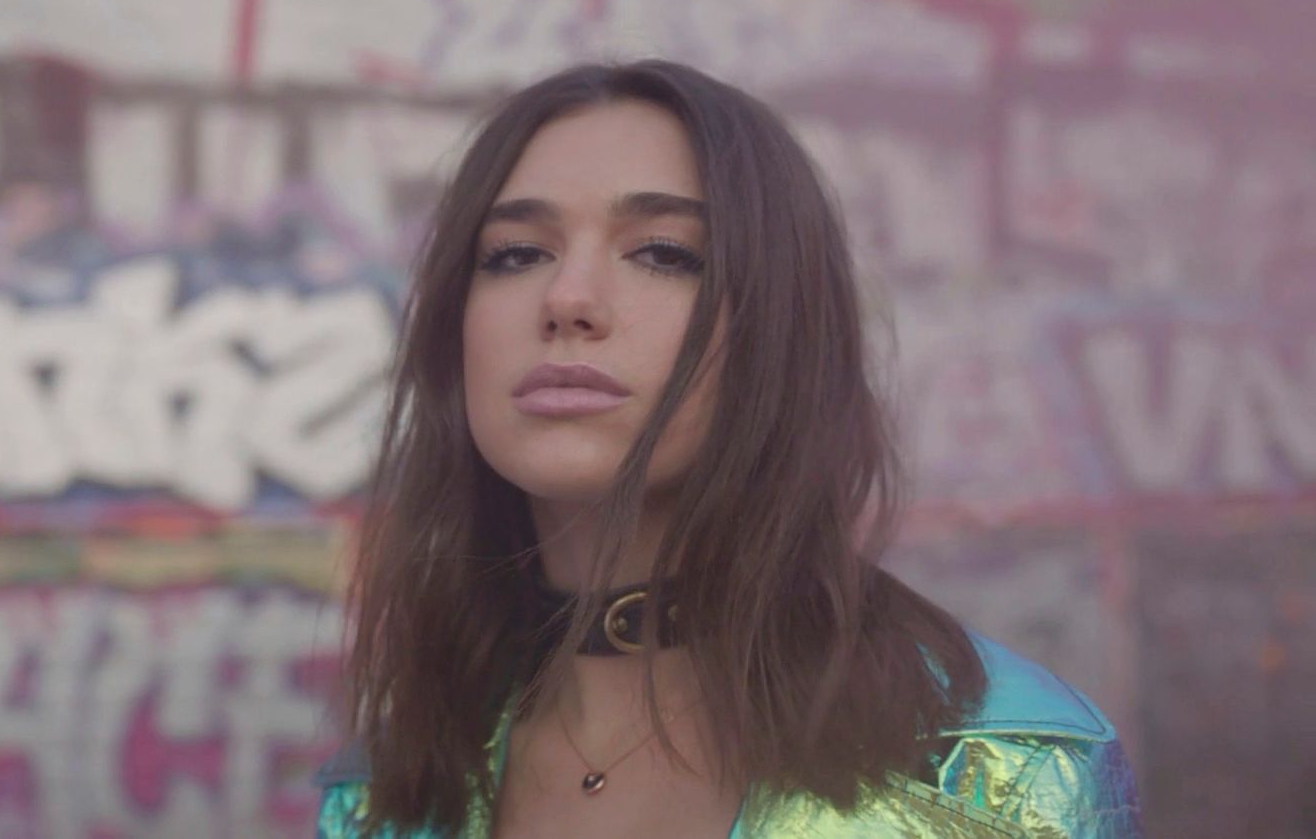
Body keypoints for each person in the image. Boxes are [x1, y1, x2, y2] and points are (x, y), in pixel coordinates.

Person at [316, 60, 1141, 838]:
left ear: (779, 329)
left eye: (664, 254)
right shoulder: (386, 794)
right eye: (517, 254)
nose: (567, 298)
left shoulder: (1000, 772)